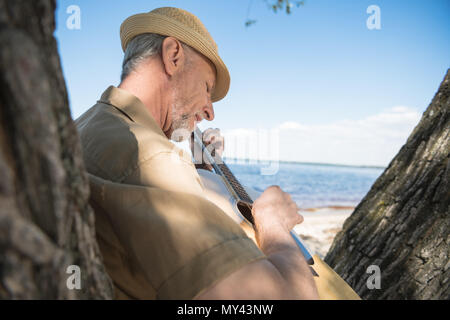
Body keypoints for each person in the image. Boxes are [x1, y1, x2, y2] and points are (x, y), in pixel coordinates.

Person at [75, 7, 318, 300]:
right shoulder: (151, 158)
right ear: (173, 56)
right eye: (206, 87)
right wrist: (273, 225)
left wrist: (201, 171)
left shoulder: (85, 127)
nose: (209, 111)